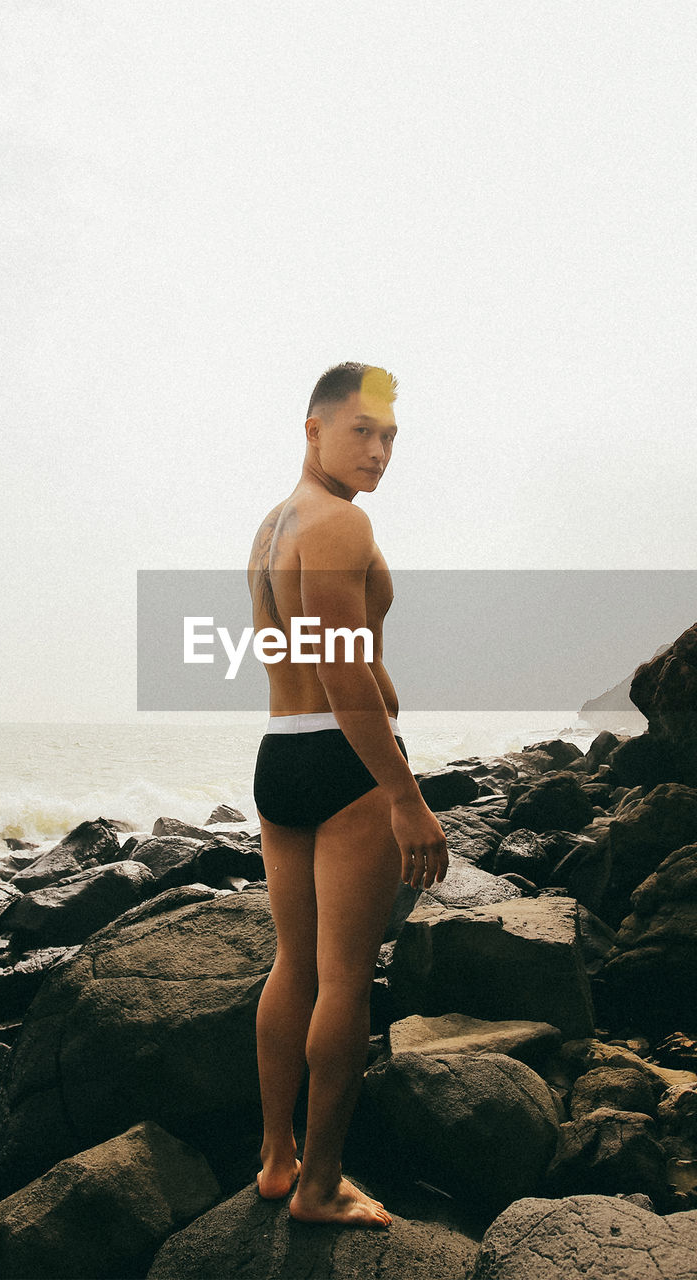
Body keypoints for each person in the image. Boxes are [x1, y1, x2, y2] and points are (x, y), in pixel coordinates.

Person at [246, 361, 449, 1227]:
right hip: (347, 764)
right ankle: (322, 1185)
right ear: (313, 429)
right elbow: (339, 667)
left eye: (391, 436)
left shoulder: (272, 527)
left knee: (294, 965)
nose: (379, 450)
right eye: (361, 430)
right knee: (345, 982)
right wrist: (404, 796)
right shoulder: (338, 527)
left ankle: (276, 1159)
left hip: (281, 756)